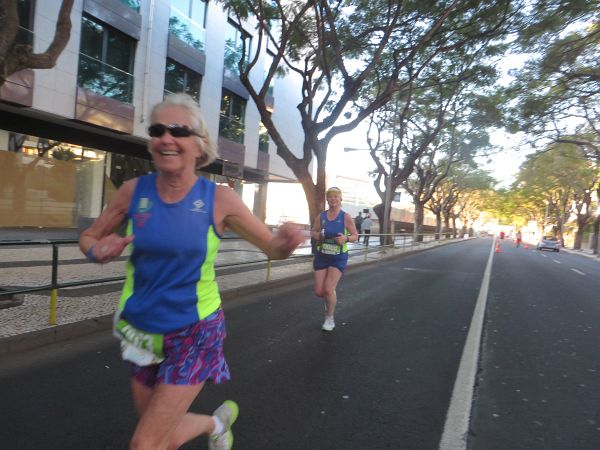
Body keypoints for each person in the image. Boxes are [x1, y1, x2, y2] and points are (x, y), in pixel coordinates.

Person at [79, 93, 305, 450]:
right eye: (157, 130)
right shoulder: (131, 193)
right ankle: (216, 424)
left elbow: (272, 249)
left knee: (144, 444)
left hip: (195, 329)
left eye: (179, 130)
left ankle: (214, 425)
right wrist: (96, 250)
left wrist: (287, 241)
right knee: (161, 438)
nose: (166, 138)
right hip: (141, 328)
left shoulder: (220, 199)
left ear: (200, 145)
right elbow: (90, 236)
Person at [310, 187, 358, 331]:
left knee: (328, 289)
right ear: (327, 199)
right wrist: (316, 235)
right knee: (319, 291)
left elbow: (356, 236)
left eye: (336, 196)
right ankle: (329, 299)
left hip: (338, 258)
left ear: (340, 198)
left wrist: (346, 238)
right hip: (322, 256)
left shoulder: (345, 217)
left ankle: (329, 318)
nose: (333, 199)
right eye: (330, 197)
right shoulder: (321, 216)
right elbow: (313, 231)